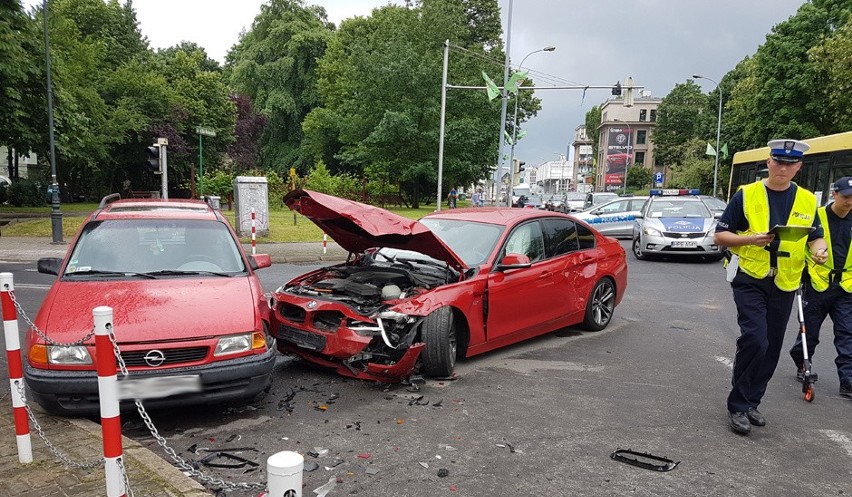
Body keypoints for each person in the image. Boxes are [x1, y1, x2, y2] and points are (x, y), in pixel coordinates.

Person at [714, 138, 828, 435]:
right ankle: (737, 405)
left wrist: (819, 250)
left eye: (790, 164)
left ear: (798, 167)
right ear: (768, 163)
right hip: (751, 276)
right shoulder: (746, 195)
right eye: (778, 161)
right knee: (756, 339)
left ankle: (752, 401)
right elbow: (720, 237)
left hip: (786, 281)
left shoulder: (806, 199)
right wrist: (750, 239)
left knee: (772, 347)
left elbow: (815, 235)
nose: (783, 167)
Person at [788, 176, 852, 398]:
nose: (850, 202)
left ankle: (848, 379)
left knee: (847, 332)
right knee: (810, 330)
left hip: (846, 286)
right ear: (834, 194)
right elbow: (801, 245)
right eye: (846, 197)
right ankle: (802, 359)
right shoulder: (818, 217)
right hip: (818, 282)